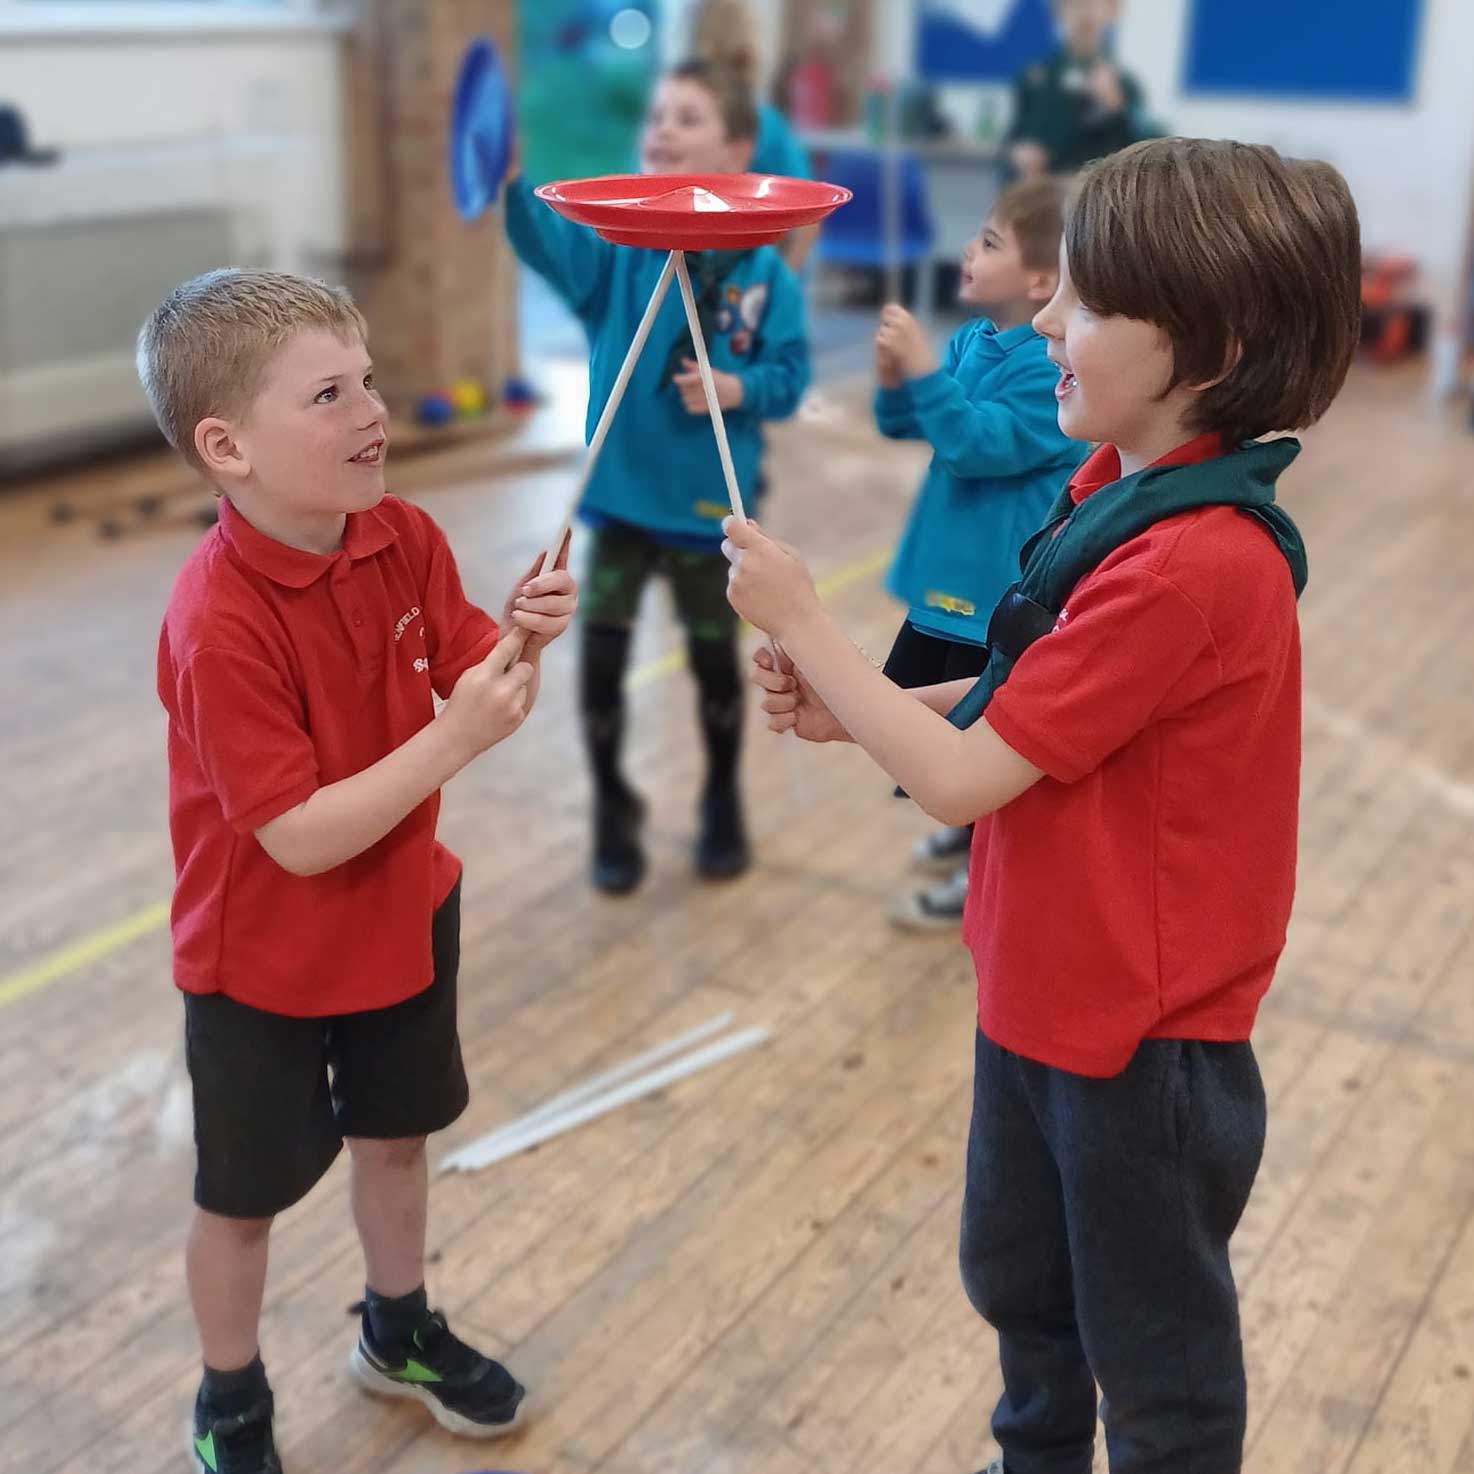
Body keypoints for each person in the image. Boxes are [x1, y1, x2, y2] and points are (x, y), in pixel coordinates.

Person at [725, 138, 1361, 1473]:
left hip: (1140, 1040)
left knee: (1158, 1363)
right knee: (1024, 1288)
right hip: (1041, 987)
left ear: (1211, 339)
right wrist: (868, 704)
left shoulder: (1195, 561)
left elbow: (964, 778)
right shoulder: (1118, 495)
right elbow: (1033, 698)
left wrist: (812, 628)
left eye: (1082, 301)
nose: (1045, 320)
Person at [140, 268, 578, 1474]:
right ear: (226, 447)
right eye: (329, 395)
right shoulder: (217, 619)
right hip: (261, 961)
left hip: (402, 915)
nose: (374, 412)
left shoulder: (401, 534)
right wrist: (456, 733)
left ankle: (399, 1330)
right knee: (243, 1198)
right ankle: (229, 1392)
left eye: (369, 380)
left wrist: (518, 636)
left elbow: (471, 661)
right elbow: (295, 835)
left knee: (397, 1140)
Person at [505, 58, 809, 894]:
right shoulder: (614, 256)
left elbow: (791, 376)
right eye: (659, 116)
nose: (664, 127)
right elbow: (540, 234)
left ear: (737, 149)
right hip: (618, 505)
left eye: (689, 116)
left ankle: (721, 801)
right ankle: (612, 807)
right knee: (599, 661)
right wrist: (506, 177)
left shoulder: (765, 275)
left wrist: (739, 387)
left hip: (708, 514)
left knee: (716, 664)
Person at [873, 176, 1085, 930]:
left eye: (990, 241)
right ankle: (966, 833)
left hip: (989, 600)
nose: (969, 248)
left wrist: (927, 374)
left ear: (1039, 280)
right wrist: (898, 381)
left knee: (973, 742)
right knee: (927, 733)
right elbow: (912, 428)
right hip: (946, 588)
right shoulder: (973, 343)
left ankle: (978, 868)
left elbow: (970, 446)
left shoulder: (1046, 371)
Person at [690, 0, 820, 271]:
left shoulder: (763, 125)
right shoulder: (767, 124)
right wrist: (785, 281)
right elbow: (810, 219)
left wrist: (781, 286)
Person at [1007, 0, 1150, 179]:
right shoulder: (1035, 80)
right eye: (1075, 4)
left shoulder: (1125, 85)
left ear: (1112, 10)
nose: (1085, 13)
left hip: (1100, 196)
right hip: (1045, 194)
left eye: (1093, 3)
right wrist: (1018, 156)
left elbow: (1142, 155)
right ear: (1059, 11)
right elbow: (1014, 141)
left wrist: (1117, 109)